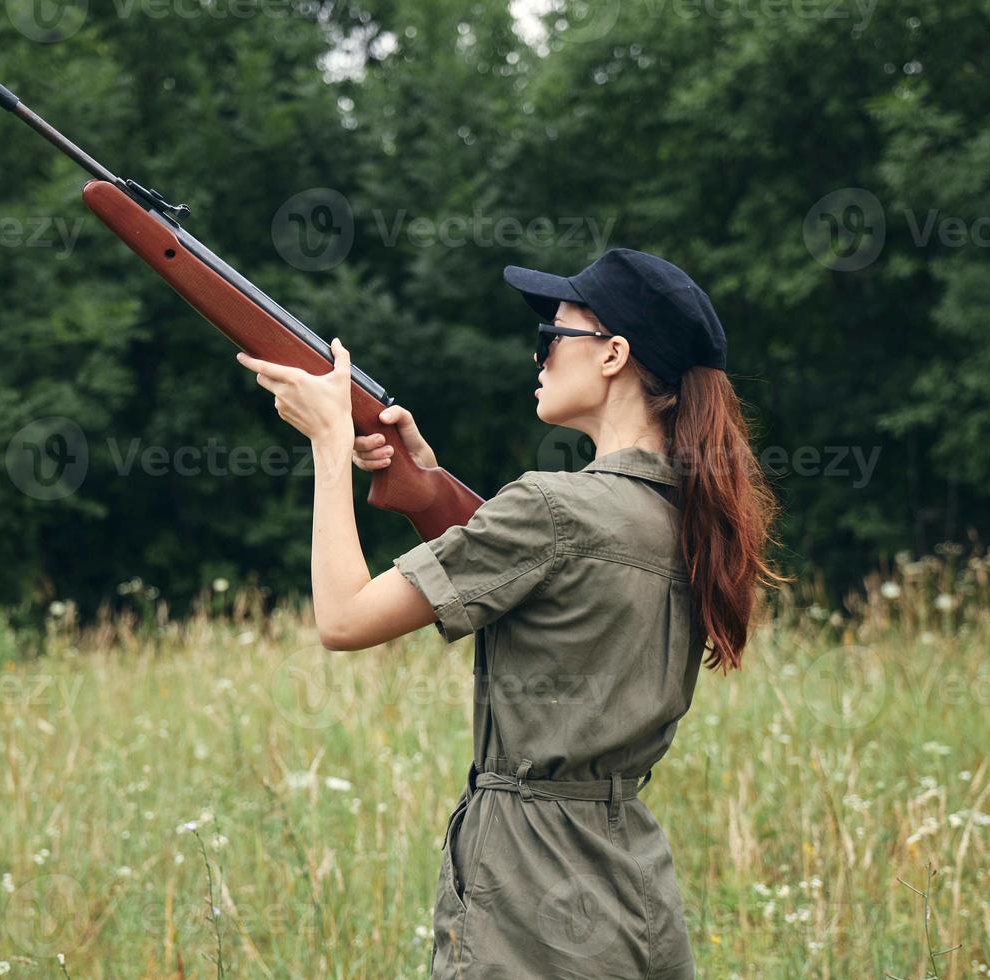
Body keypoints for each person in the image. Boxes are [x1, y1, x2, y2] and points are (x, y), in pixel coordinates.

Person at [236, 247, 781, 978]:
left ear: (614, 354)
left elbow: (342, 620)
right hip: (633, 888)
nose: (541, 356)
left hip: (529, 898)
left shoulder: (555, 507)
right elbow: (543, 586)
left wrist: (331, 444)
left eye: (554, 336)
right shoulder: (683, 517)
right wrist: (427, 490)